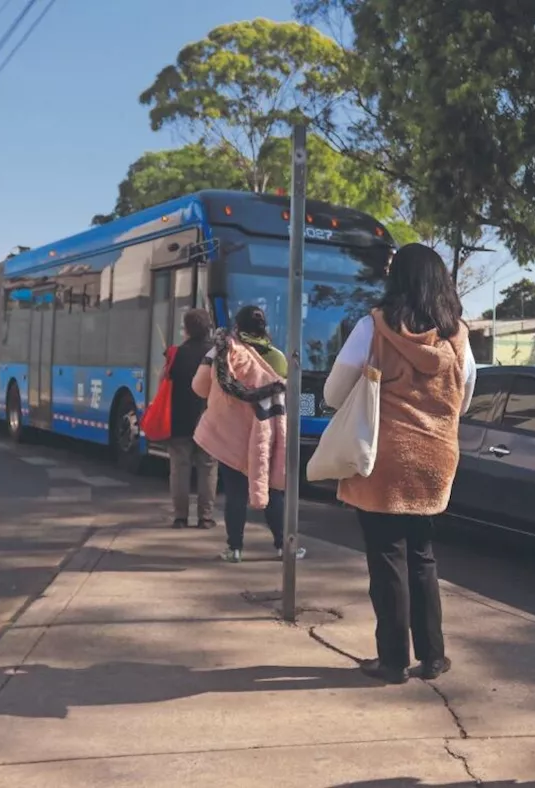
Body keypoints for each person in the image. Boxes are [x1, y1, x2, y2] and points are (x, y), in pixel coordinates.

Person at [324, 243, 476, 685]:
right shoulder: (459, 339)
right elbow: (463, 402)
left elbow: (333, 394)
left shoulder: (372, 329)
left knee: (386, 559)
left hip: (383, 459)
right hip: (436, 459)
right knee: (423, 558)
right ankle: (433, 657)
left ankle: (391, 661)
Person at [192, 305, 304, 563]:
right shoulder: (278, 357)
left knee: (235, 493)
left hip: (230, 434)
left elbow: (198, 387)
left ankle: (234, 549)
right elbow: (292, 397)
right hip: (267, 435)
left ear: (237, 326)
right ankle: (282, 546)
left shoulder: (222, 351)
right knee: (274, 488)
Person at [166, 309, 218, 529]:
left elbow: (163, 382)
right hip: (209, 419)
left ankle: (180, 517)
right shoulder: (216, 354)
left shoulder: (175, 353)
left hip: (179, 419)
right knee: (207, 466)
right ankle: (205, 518)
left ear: (186, 329)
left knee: (180, 467)